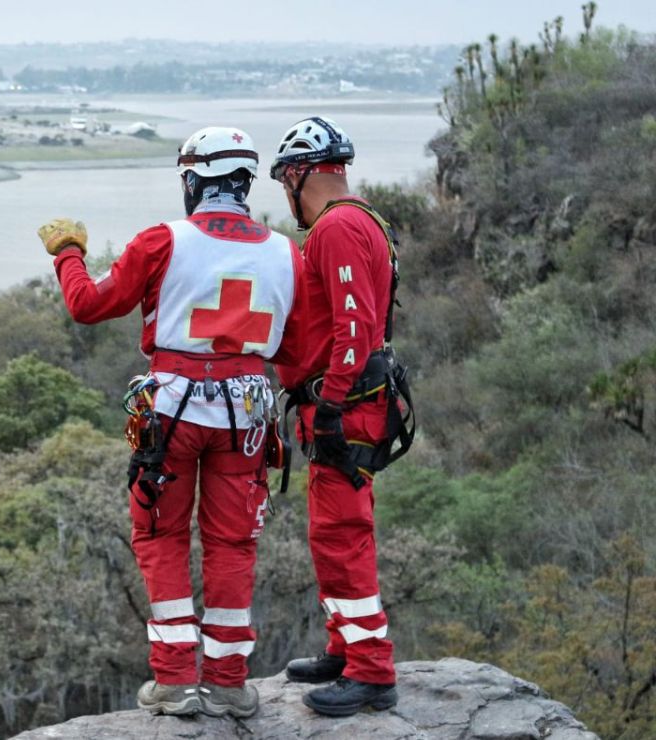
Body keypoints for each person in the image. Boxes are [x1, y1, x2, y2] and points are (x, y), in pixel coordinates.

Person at [36, 126, 305, 719]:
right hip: (246, 415)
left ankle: (176, 680)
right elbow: (297, 350)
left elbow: (88, 305)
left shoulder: (163, 240)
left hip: (171, 411)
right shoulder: (287, 253)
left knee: (161, 536)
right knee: (233, 543)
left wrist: (67, 253)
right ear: (244, 184)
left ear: (193, 181)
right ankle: (229, 683)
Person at [269, 116, 403, 717]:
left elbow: (353, 326)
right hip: (353, 402)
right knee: (332, 532)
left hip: (345, 407)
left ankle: (371, 670)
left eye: (285, 182)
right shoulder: (363, 218)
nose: (286, 194)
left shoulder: (337, 227)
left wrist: (329, 405)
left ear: (298, 176)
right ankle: (346, 648)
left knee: (342, 535)